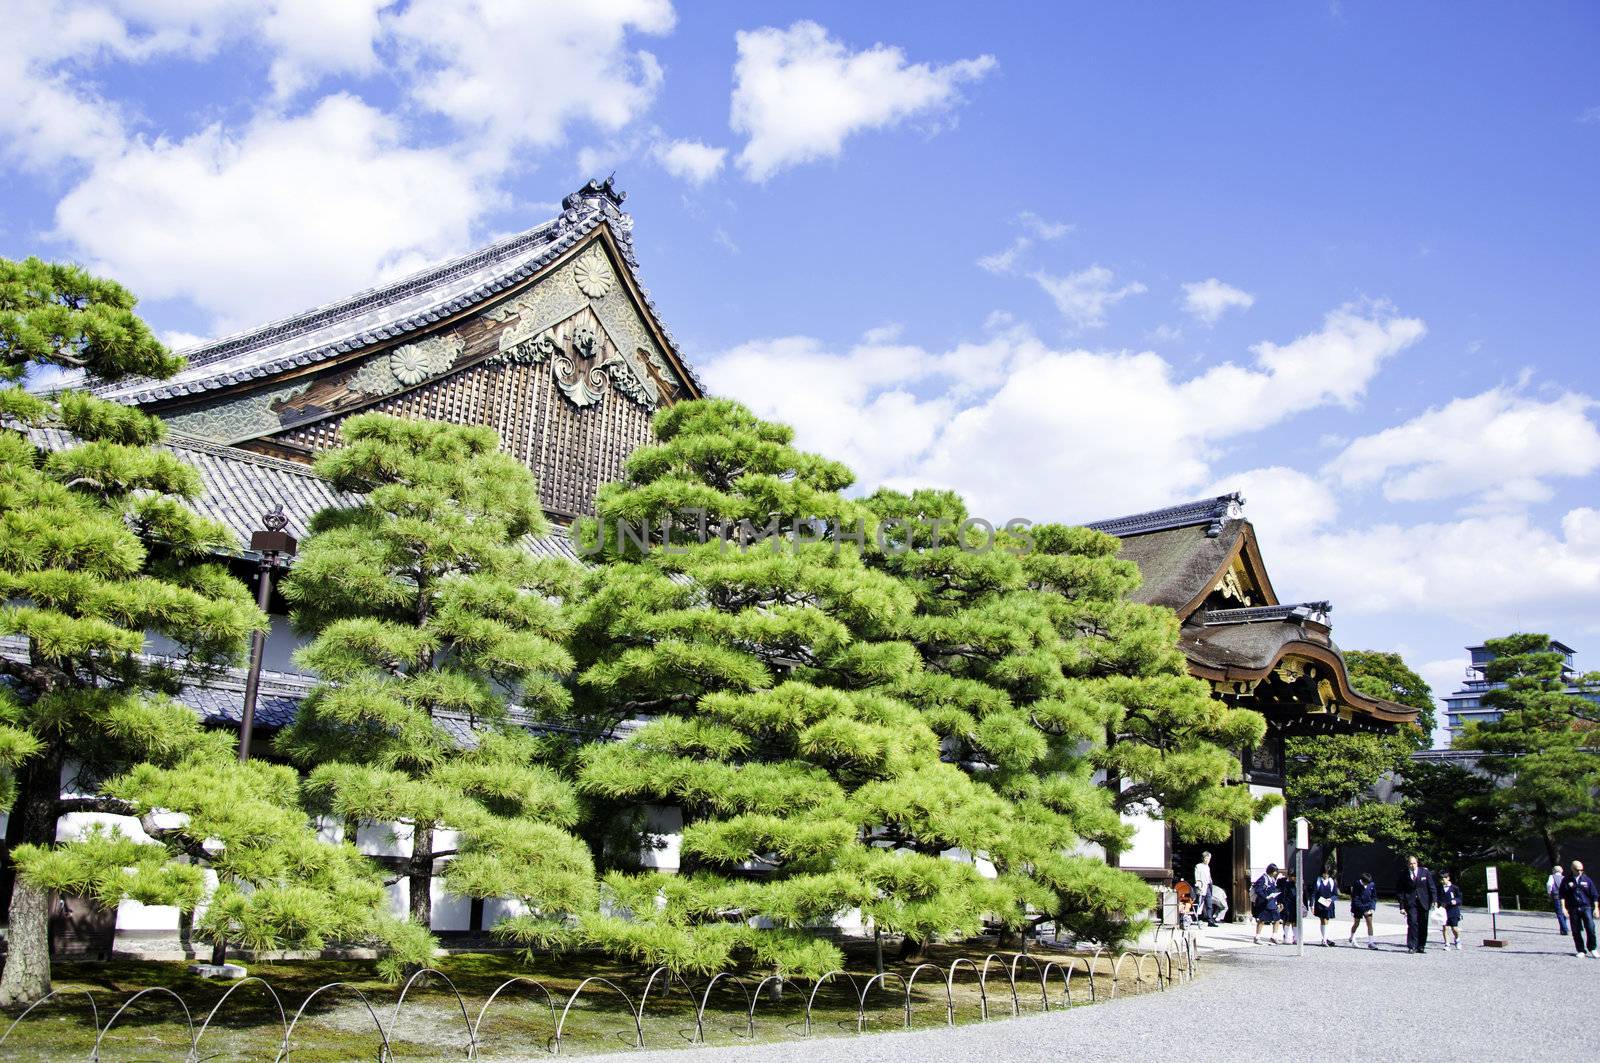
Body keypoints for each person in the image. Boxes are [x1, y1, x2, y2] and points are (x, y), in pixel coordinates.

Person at [1397, 855, 1439, 953]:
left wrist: (1434, 900)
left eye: (1414, 863)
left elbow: (1432, 887)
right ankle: (1412, 946)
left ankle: (1421, 945)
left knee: (1423, 924)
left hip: (1424, 901)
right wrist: (1402, 906)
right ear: (1408, 864)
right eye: (1411, 863)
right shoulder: (1403, 874)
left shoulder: (1425, 872)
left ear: (1417, 863)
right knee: (1412, 923)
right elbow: (1400, 891)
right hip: (1411, 902)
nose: (1413, 865)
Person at [1557, 859, 1599, 958]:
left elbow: (1594, 895)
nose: (1580, 872)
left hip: (1586, 907)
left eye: (1581, 870)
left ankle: (1592, 948)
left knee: (1591, 928)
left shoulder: (1587, 879)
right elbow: (1562, 895)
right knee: (1575, 930)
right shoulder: (1566, 880)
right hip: (1573, 908)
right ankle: (1581, 950)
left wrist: (1596, 908)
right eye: (1577, 870)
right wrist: (1563, 908)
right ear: (1572, 869)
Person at [1252, 862, 1283, 944]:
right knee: (1262, 920)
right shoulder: (1263, 878)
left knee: (1277, 919)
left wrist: (1277, 900)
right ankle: (1257, 937)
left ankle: (1274, 936)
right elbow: (1258, 890)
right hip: (1264, 902)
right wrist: (1265, 897)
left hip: (1272, 902)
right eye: (1275, 871)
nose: (1276, 873)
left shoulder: (1272, 879)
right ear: (1271, 871)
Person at [1347, 872, 1378, 948]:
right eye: (1365, 883)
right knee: (1356, 923)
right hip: (1358, 907)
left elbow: (1374, 897)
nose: (1367, 884)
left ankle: (1371, 942)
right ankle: (1352, 937)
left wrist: (1372, 908)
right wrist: (1363, 910)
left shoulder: (1372, 885)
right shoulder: (1357, 884)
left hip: (1368, 907)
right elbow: (1355, 899)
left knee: (1369, 924)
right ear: (1362, 881)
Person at [1311, 867, 1338, 946]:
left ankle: (1325, 938)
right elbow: (1313, 893)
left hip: (1328, 904)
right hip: (1320, 903)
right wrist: (1312, 905)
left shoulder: (1332, 882)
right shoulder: (1318, 881)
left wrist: (1331, 899)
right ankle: (1325, 938)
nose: (1326, 875)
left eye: (1327, 874)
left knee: (1326, 920)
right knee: (1322, 920)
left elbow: (1335, 894)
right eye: (1324, 873)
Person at [1437, 871, 1463, 951]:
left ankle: (1457, 939)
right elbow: (1438, 898)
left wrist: (1456, 901)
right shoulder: (1439, 888)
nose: (1441, 881)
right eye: (1440, 880)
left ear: (1448, 878)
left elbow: (1460, 898)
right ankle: (1447, 944)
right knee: (1445, 927)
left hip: (1453, 910)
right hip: (1444, 910)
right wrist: (1438, 904)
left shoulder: (1455, 888)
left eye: (1443, 879)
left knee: (1454, 928)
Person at [1194, 851, 1217, 925]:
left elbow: (1209, 877)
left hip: (1208, 887)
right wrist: (1198, 885)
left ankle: (1210, 920)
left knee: (1209, 904)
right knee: (1199, 903)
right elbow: (1197, 877)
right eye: (1206, 858)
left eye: (1209, 858)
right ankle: (1195, 918)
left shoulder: (1208, 867)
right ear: (1203, 858)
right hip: (1201, 887)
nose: (1207, 860)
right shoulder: (1198, 866)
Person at [1547, 865, 1570, 936]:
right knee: (1564, 912)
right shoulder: (1564, 878)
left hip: (1556, 896)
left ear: (1554, 871)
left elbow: (1549, 884)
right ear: (1561, 871)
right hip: (1565, 897)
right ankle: (1563, 929)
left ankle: (1564, 929)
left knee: (1559, 913)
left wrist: (1549, 892)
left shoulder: (1552, 876)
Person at [1279, 867, 1297, 944]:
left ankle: (1295, 937)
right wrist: (1280, 902)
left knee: (1295, 921)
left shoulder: (1297, 882)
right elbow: (1280, 893)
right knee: (1287, 921)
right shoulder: (1282, 881)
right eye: (1291, 876)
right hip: (1286, 904)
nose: (1293, 877)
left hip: (1295, 904)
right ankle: (1286, 936)